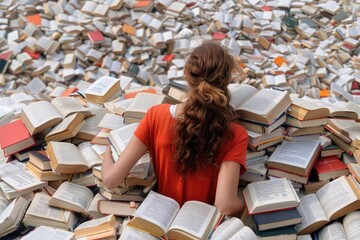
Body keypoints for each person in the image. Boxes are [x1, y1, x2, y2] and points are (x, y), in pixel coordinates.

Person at [102, 42, 248, 216]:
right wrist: (247, 205)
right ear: (226, 80)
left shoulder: (156, 115)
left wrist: (108, 149)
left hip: (160, 220)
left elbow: (110, 180)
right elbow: (225, 205)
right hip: (199, 225)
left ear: (187, 74)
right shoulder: (236, 134)